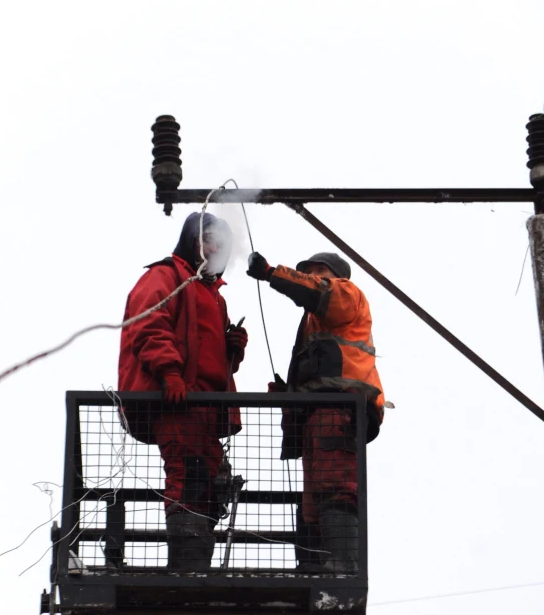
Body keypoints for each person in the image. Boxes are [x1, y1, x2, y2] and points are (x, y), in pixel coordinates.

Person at [118, 211, 248, 569]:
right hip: (177, 401)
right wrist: (170, 373)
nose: (217, 247)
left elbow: (205, 354)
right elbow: (148, 325)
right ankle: (188, 568)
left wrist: (231, 350)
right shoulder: (165, 277)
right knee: (189, 474)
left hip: (205, 407)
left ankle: (196, 566)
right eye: (209, 238)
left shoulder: (213, 296)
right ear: (192, 239)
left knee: (207, 481)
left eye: (222, 242)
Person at [246, 251, 385, 574]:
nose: (313, 276)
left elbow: (318, 290)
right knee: (313, 498)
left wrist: (271, 273)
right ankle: (313, 565)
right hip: (319, 414)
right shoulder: (312, 321)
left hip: (339, 407)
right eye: (308, 272)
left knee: (334, 485)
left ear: (337, 274)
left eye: (319, 271)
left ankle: (340, 564)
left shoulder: (346, 293)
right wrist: (288, 394)